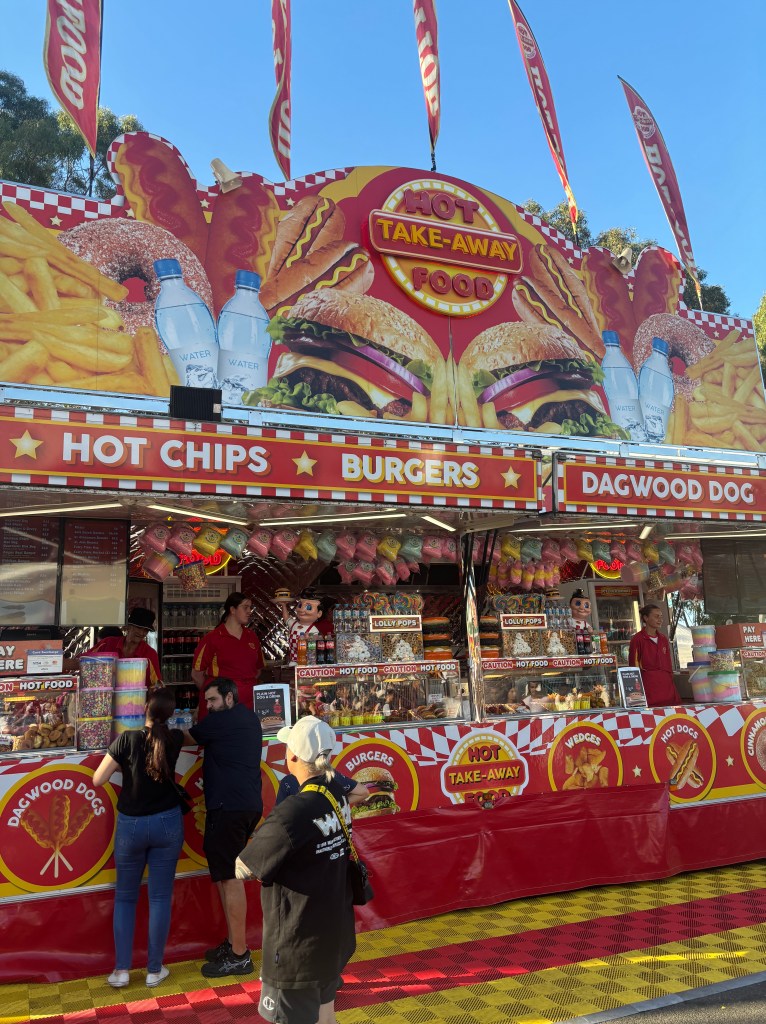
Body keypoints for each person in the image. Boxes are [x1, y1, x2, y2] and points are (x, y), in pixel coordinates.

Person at [234, 715, 356, 1024]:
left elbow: (245, 867)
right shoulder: (336, 796)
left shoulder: (294, 809)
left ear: (292, 757)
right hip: (333, 931)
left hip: (296, 941)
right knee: (326, 1017)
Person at [93, 687, 185, 989]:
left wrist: (126, 764)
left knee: (125, 897)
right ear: (171, 713)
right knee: (159, 898)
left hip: (131, 826)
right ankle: (154, 970)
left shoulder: (127, 740)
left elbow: (98, 779)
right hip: (168, 823)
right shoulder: (175, 739)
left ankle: (121, 971)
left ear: (145, 707)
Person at [186, 677, 263, 978]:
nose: (209, 706)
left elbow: (184, 738)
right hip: (245, 805)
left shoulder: (220, 721)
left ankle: (240, 955)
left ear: (229, 698)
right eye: (206, 701)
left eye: (213, 700)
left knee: (230, 878)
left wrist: (152, 729)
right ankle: (233, 944)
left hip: (228, 808)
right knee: (225, 875)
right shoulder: (249, 717)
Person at [192, 593, 263, 719]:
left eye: (250, 608)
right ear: (232, 610)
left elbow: (258, 670)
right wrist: (214, 692)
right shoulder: (212, 638)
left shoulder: (252, 637)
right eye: (245, 607)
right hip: (220, 704)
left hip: (248, 703)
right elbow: (196, 674)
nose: (249, 611)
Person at [88, 608, 162, 688]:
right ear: (128, 626)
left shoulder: (150, 654)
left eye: (146, 630)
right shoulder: (107, 643)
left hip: (139, 696)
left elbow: (158, 685)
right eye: (139, 628)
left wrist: (152, 690)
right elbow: (83, 660)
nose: (141, 633)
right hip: (104, 695)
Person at [629, 603, 680, 706]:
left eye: (661, 616)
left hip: (667, 685)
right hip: (648, 685)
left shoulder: (663, 638)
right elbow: (633, 666)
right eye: (656, 616)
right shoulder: (637, 639)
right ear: (646, 618)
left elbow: (668, 663)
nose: (660, 619)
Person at [280, 589, 332, 665]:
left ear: (319, 614)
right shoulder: (294, 624)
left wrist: (310, 640)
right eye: (300, 605)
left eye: (308, 607)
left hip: (307, 661)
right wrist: (283, 605)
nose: (301, 610)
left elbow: (317, 647)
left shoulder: (313, 630)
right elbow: (286, 618)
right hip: (294, 660)